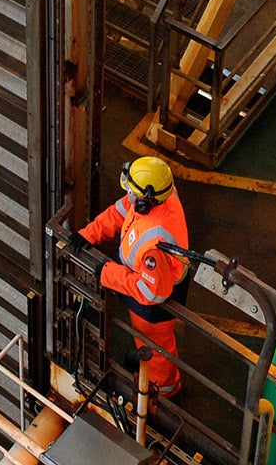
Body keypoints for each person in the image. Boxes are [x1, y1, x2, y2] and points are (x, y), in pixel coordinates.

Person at [75, 155, 190, 398]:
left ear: (145, 202)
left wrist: (108, 274)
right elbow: (120, 211)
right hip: (148, 281)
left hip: (152, 302)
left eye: (131, 191)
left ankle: (163, 393)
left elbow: (151, 292)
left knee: (155, 349)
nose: (128, 195)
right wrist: (90, 234)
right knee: (151, 344)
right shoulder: (161, 193)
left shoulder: (155, 243)